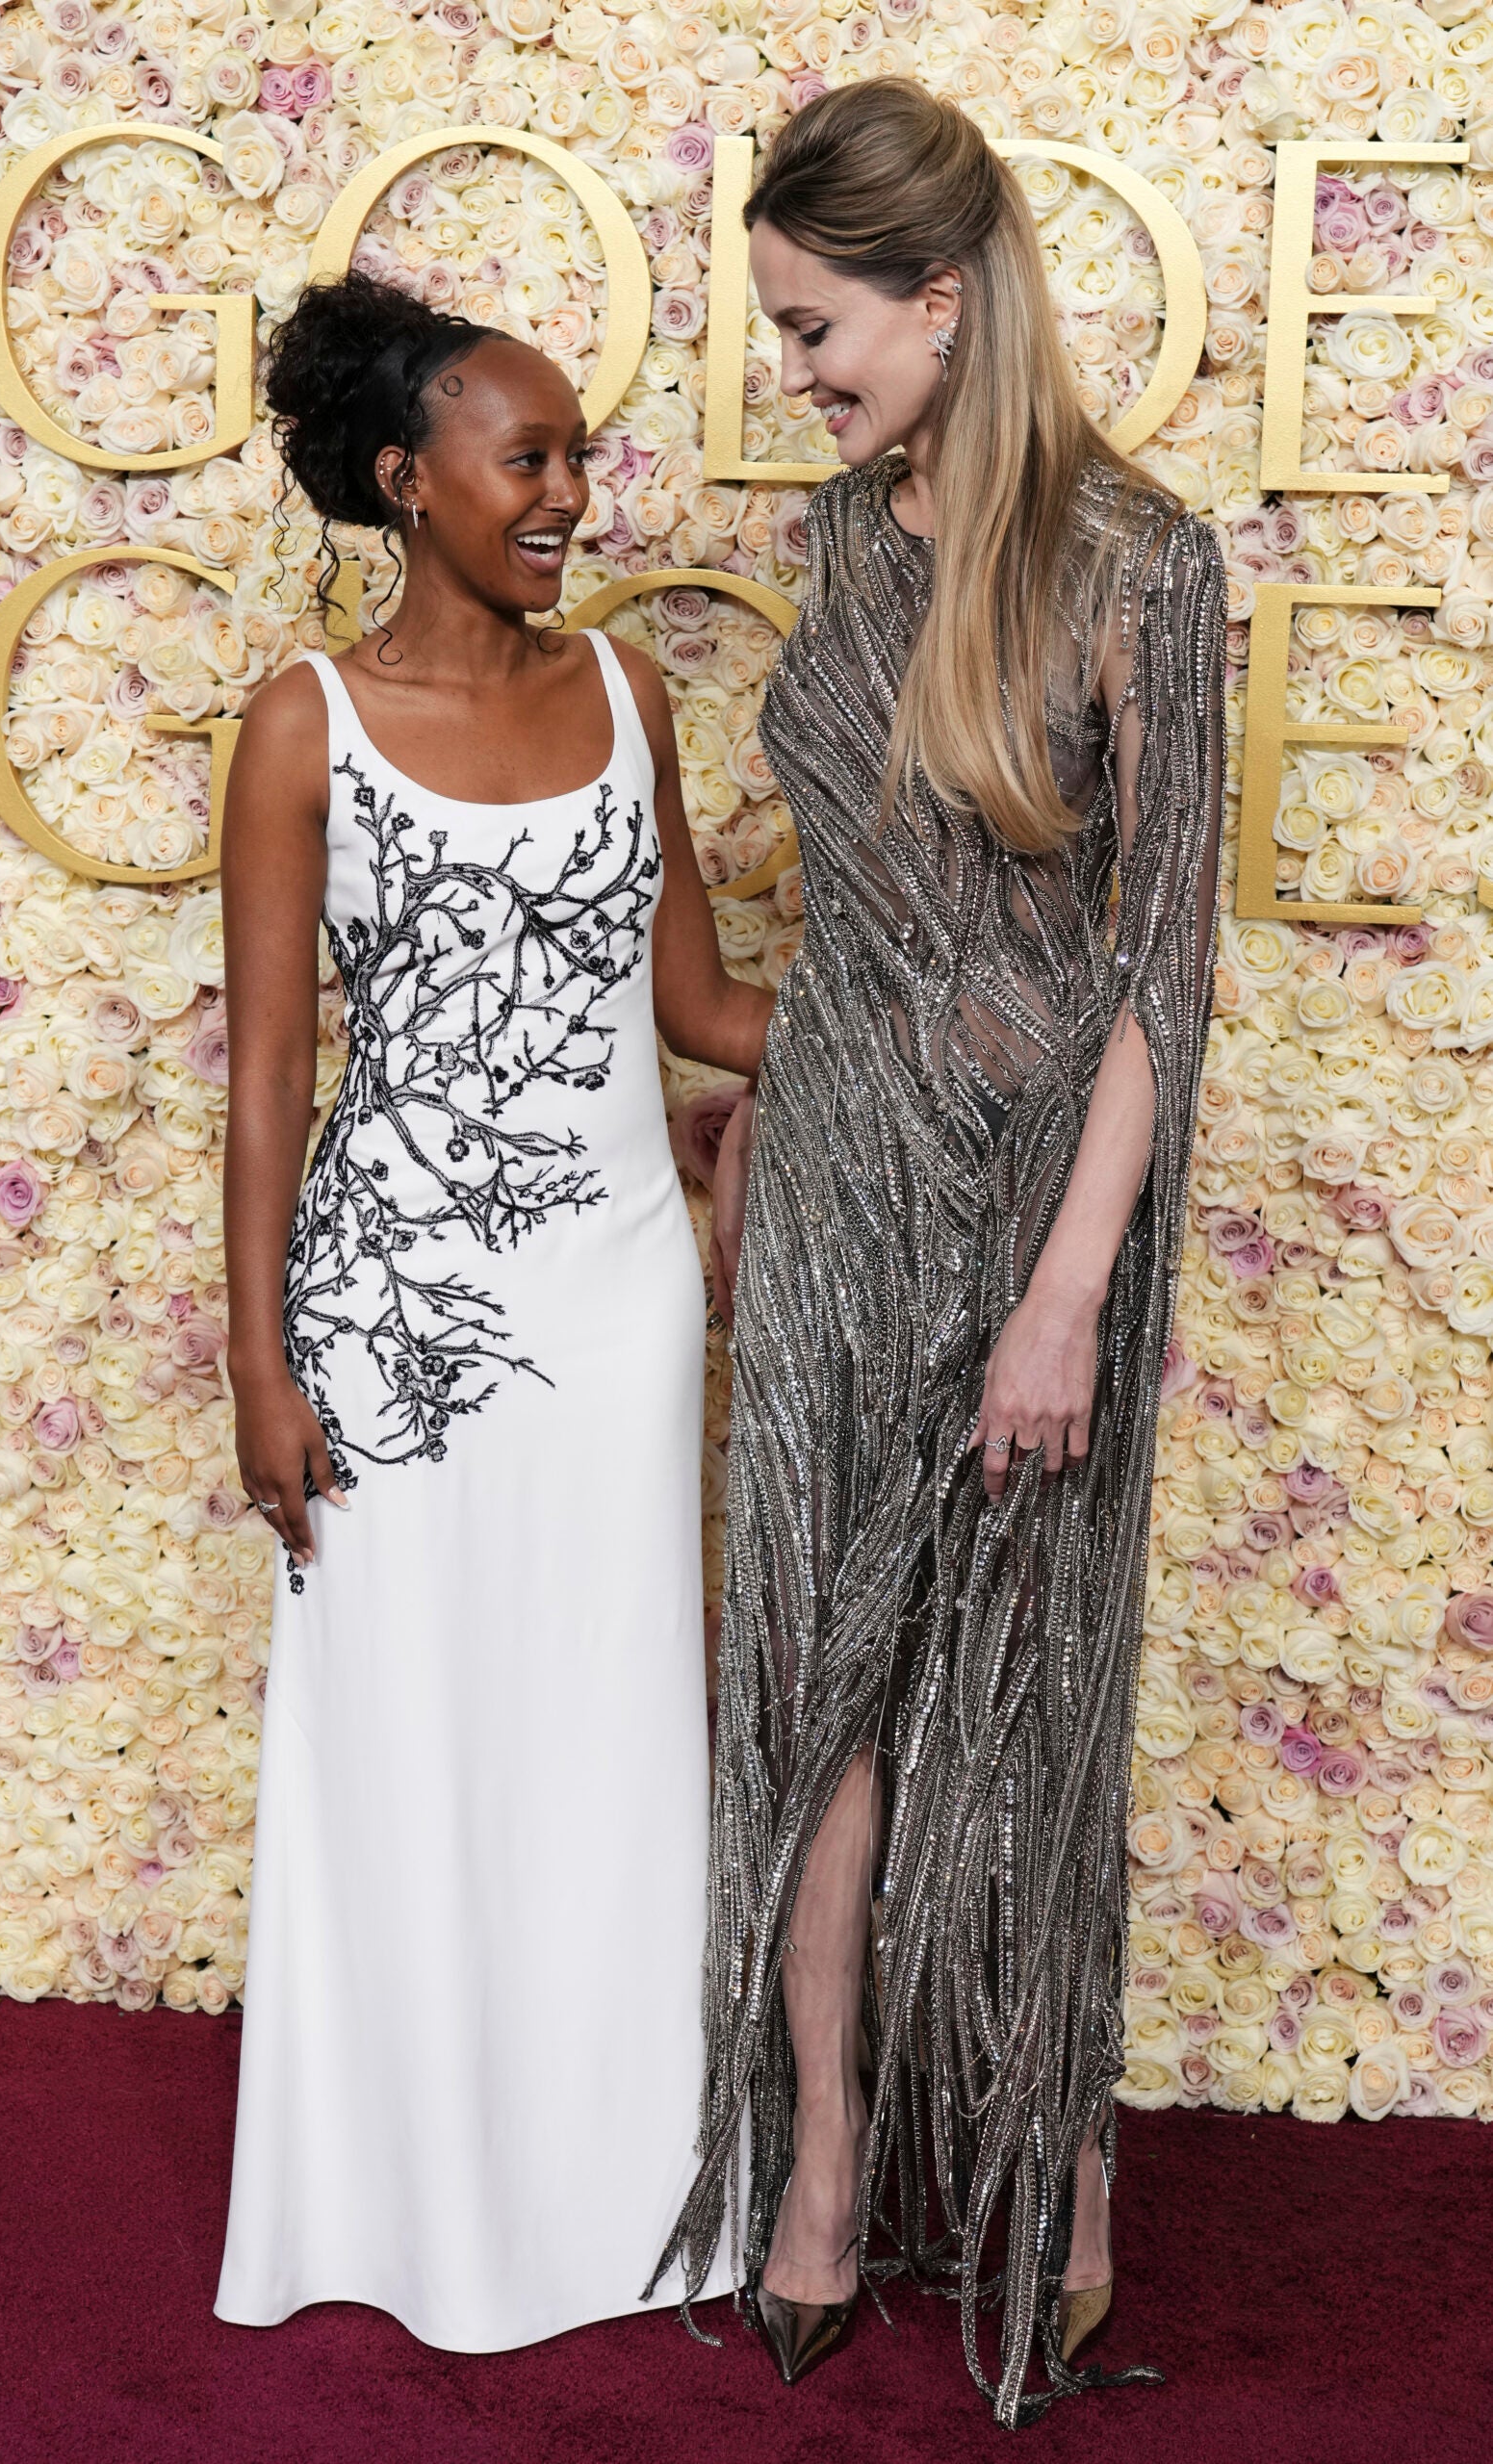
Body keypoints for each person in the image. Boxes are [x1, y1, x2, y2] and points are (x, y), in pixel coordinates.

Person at [653, 82, 1226, 2426]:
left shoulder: (1142, 564)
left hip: (1033, 1210)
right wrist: (763, 1111)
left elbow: (1155, 973)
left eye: (815, 328)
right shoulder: (839, 531)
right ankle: (820, 2186)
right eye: (779, 330)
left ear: (940, 295)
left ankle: (1059, 2189)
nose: (794, 368)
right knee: (815, 1692)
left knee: (1023, 1700)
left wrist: (1069, 1289)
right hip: (823, 1200)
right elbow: (878, 894)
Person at [214, 272, 770, 2349]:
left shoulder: (628, 693)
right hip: (392, 1324)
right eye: (527, 459)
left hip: (614, 1301)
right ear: (403, 479)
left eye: (575, 458)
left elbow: (697, 1004)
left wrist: (910, 1062)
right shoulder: (305, 721)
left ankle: (628, 2189)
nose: (568, 495)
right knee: (409, 1735)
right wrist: (262, 1360)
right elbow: (274, 1068)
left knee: (607, 1729)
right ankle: (401, 2195)